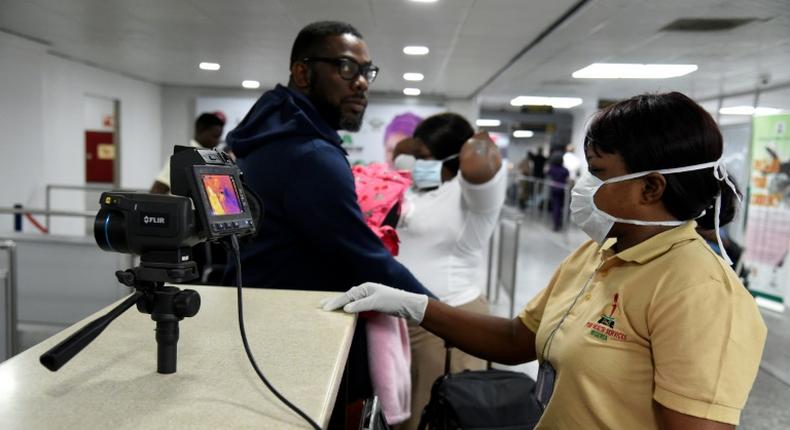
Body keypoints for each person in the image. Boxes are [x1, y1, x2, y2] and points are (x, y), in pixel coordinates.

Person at [325, 92, 767, 430]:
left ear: (650, 188)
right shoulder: (599, 253)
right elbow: (520, 338)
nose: (582, 187)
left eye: (598, 175)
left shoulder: (698, 291)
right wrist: (414, 305)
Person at [223, 20, 435, 425]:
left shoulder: (269, 134)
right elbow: (361, 255)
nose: (361, 84)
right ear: (303, 72)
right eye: (346, 68)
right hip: (297, 339)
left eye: (367, 71)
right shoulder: (311, 155)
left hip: (259, 319)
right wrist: (439, 312)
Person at [390, 113, 506, 430]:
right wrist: (420, 150)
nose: (416, 163)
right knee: (405, 418)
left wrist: (469, 137)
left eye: (425, 157)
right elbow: (401, 150)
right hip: (403, 319)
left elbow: (480, 156)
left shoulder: (475, 193)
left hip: (449, 320)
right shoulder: (419, 185)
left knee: (438, 419)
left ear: (454, 156)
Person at [150, 112, 225, 194]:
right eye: (215, 136)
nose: (217, 142)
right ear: (200, 130)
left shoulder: (211, 157)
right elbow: (157, 189)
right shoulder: (182, 156)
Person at [546, 152, 570, 231]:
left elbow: (547, 173)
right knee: (561, 207)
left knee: (556, 207)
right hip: (563, 190)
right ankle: (559, 222)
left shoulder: (551, 168)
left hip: (554, 190)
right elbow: (567, 178)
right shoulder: (565, 170)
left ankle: (556, 224)